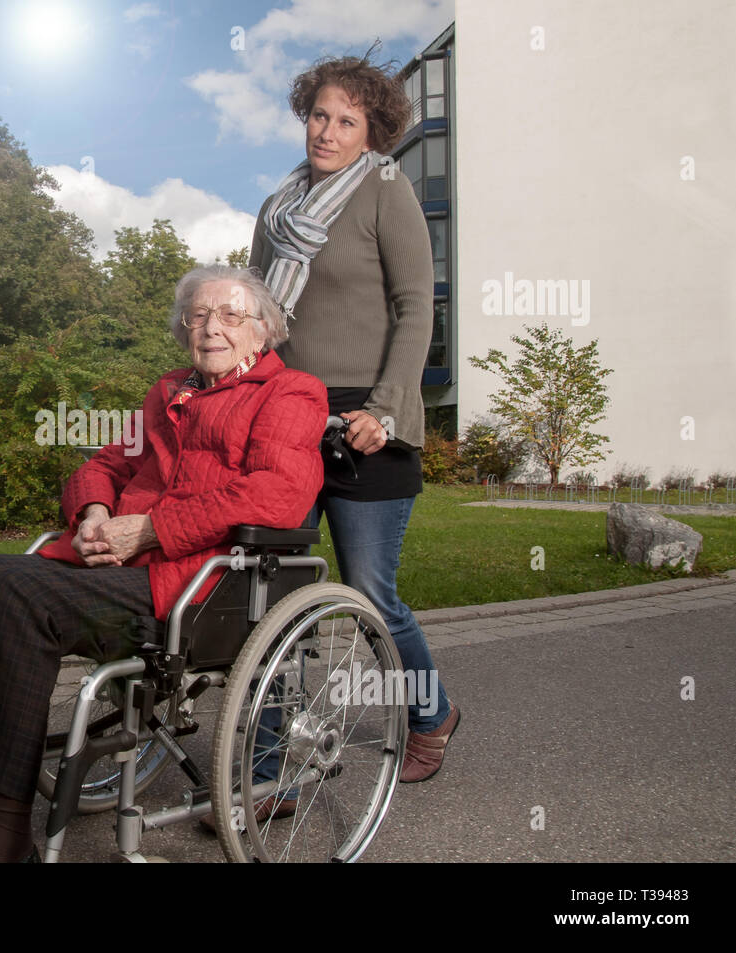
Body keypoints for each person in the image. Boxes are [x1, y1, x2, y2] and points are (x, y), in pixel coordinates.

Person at [0, 265, 329, 862]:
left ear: (263, 330)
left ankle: (3, 834)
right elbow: (106, 466)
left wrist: (149, 530)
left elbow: (277, 493)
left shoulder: (291, 392)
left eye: (229, 316)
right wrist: (94, 511)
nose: (210, 328)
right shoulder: (169, 391)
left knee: (19, 599)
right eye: (198, 316)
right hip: (124, 567)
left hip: (196, 585)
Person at [248, 55, 459, 785]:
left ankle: (432, 713)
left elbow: (416, 305)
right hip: (289, 414)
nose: (328, 131)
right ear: (304, 115)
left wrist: (387, 407)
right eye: (319, 115)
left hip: (372, 417)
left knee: (372, 594)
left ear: (372, 131)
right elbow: (258, 318)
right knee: (266, 592)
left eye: (347, 120)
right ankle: (271, 768)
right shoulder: (277, 210)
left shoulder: (385, 187)